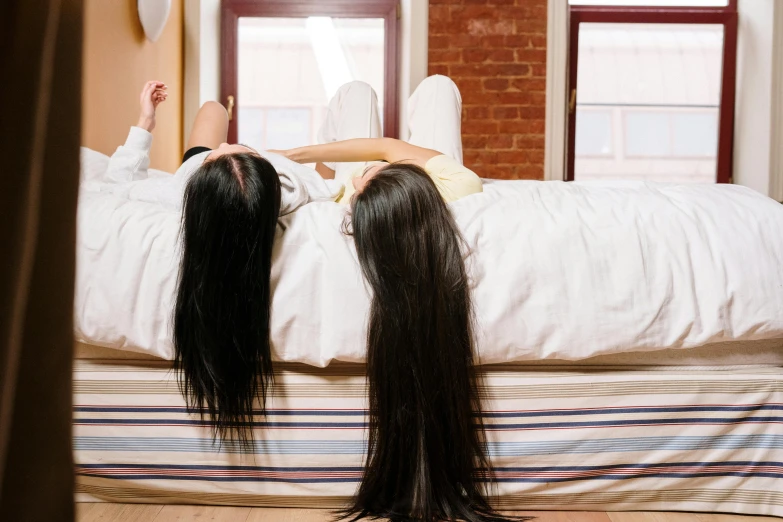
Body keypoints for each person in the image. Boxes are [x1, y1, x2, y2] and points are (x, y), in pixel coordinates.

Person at [277, 77, 508, 521]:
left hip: (365, 187)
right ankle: (349, 145)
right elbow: (386, 148)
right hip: (411, 183)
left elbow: (382, 150)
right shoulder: (457, 184)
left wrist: (300, 155)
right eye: (369, 170)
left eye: (365, 173)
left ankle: (333, 144)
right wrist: (370, 165)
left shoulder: (351, 202)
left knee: (356, 92)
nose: (368, 169)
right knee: (439, 87)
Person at [96, 81, 340, 444]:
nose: (224, 143)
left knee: (213, 108)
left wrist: (145, 121)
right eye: (227, 146)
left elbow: (115, 186)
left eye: (224, 148)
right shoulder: (292, 188)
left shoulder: (181, 193)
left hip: (223, 173)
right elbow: (328, 188)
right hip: (244, 172)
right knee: (216, 109)